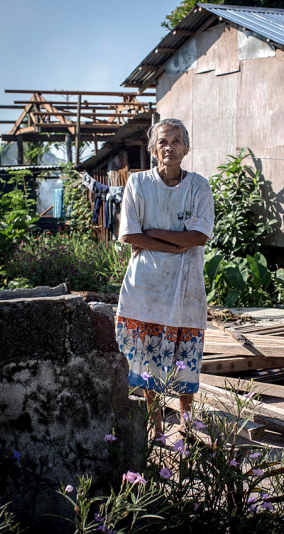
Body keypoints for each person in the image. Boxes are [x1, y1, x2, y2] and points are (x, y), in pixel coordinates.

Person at [115, 118, 214, 437]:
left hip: (185, 289)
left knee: (186, 360)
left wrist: (154, 233)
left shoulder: (199, 186)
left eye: (176, 141)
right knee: (146, 363)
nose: (169, 147)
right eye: (162, 142)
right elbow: (130, 235)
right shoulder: (138, 184)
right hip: (146, 287)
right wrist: (174, 242)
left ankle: (187, 425)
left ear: (186, 148)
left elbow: (199, 237)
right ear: (153, 149)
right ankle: (156, 426)